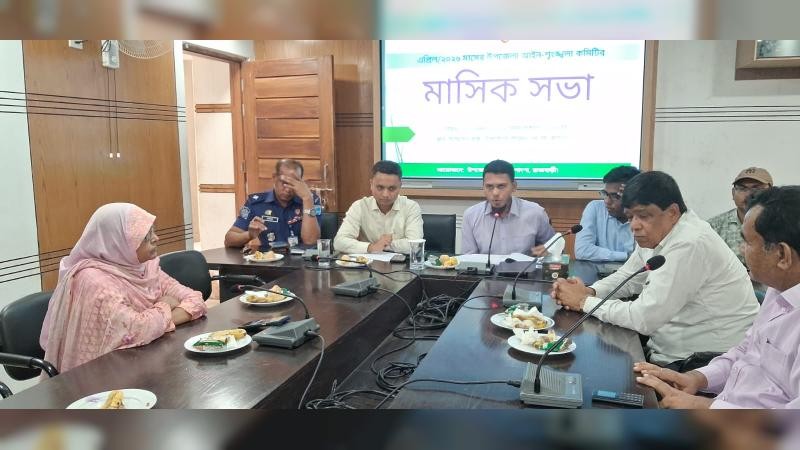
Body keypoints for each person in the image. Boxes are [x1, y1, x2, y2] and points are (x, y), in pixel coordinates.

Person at [551, 171, 759, 368]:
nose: (634, 225)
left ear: (672, 212)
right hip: (669, 349)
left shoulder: (690, 242)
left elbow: (643, 318)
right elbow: (629, 276)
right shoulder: (660, 232)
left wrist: (582, 301)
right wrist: (590, 291)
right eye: (630, 217)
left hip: (704, 363)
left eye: (643, 216)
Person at [635, 186, 800, 408]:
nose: (741, 249)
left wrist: (701, 406)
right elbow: (746, 352)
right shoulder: (779, 289)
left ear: (782, 255)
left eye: (748, 242)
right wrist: (697, 378)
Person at [39, 203, 207, 372]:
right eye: (146, 236)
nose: (156, 238)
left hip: (144, 362)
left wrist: (158, 323)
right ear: (117, 241)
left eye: (153, 231)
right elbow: (135, 330)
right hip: (101, 376)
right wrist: (165, 305)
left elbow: (196, 300)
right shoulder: (93, 280)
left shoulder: (144, 268)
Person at [461, 160, 555, 255]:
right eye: (489, 186)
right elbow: (468, 258)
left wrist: (549, 252)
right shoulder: (471, 216)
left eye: (501, 186)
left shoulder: (536, 213)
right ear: (483, 187)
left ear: (514, 186)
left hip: (524, 265)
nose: (495, 193)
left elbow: (554, 249)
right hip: (485, 265)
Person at [224, 159, 321, 251]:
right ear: (274, 178)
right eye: (284, 183)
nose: (288, 189)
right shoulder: (256, 203)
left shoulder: (311, 201)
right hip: (270, 260)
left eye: (293, 184)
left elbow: (311, 241)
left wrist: (307, 198)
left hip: (301, 261)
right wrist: (249, 235)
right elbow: (228, 240)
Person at [334, 160, 423, 254]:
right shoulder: (360, 206)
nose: (385, 194)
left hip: (401, 262)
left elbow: (415, 244)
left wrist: (386, 244)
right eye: (380, 187)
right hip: (369, 262)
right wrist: (371, 247)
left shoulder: (411, 207)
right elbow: (339, 242)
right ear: (371, 184)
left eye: (391, 188)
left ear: (400, 186)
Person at [707, 167, 773, 266]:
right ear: (733, 193)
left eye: (757, 188)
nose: (749, 194)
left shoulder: (783, 225)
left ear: (772, 192)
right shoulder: (713, 227)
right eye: (742, 188)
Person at [574, 165, 640, 261]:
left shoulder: (643, 217)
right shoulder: (595, 208)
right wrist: (626, 256)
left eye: (615, 196)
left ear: (632, 196)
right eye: (605, 194)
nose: (607, 201)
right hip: (599, 270)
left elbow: (643, 258)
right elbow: (582, 251)